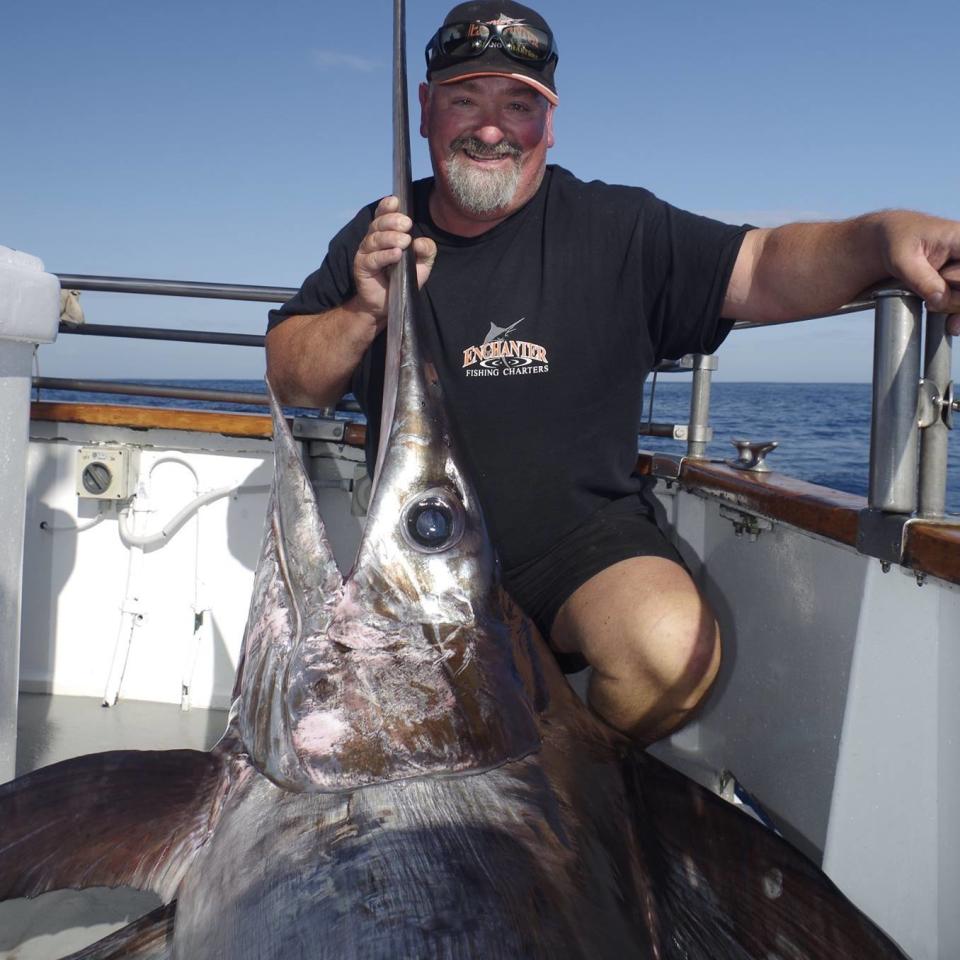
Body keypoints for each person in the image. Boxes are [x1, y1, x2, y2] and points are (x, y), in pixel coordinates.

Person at [266, 1, 960, 745]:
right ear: (427, 111)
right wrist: (364, 311)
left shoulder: (618, 228)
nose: (491, 128)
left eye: (518, 105)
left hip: (578, 546)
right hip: (413, 549)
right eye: (466, 99)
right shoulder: (379, 233)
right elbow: (293, 379)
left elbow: (761, 265)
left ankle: (561, 771)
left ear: (550, 121)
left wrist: (882, 238)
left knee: (671, 654)